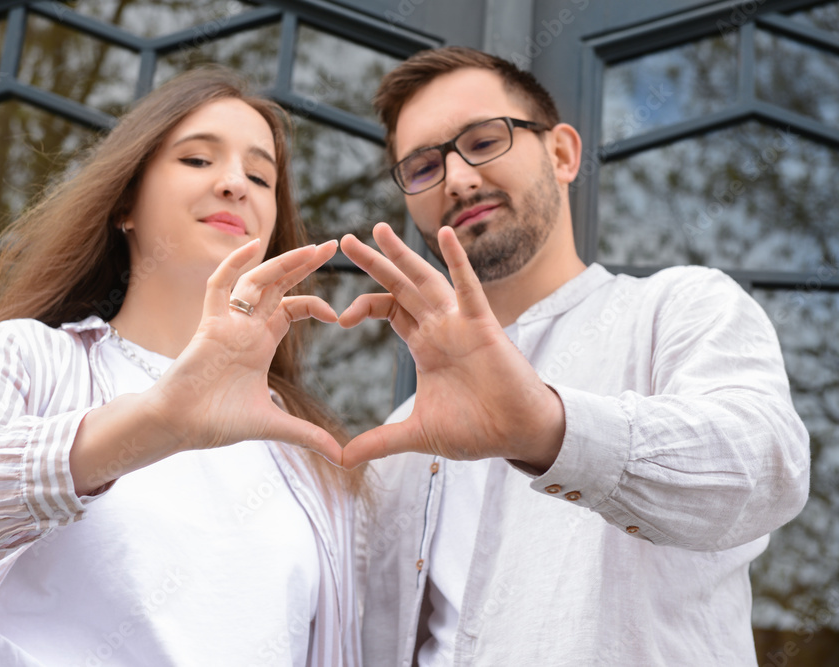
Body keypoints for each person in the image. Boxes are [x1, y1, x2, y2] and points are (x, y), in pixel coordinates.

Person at [0, 68, 363, 666]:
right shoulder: (29, 358)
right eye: (198, 160)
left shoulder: (312, 459)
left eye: (260, 175)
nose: (234, 185)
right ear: (126, 204)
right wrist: (151, 424)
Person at [340, 46, 810, 665]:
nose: (457, 178)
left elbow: (766, 469)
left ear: (562, 153)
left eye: (483, 141)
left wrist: (549, 430)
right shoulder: (403, 437)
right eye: (424, 167)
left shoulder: (677, 308)